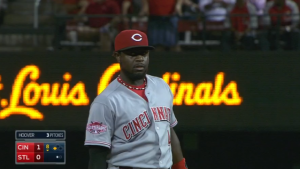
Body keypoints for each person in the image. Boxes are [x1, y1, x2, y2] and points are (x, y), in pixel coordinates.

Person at [85, 29, 188, 169]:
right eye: (132, 54)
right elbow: (97, 153)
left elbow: (169, 130)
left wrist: (181, 167)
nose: (140, 58)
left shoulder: (162, 86)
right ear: (117, 56)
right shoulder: (105, 101)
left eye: (143, 53)